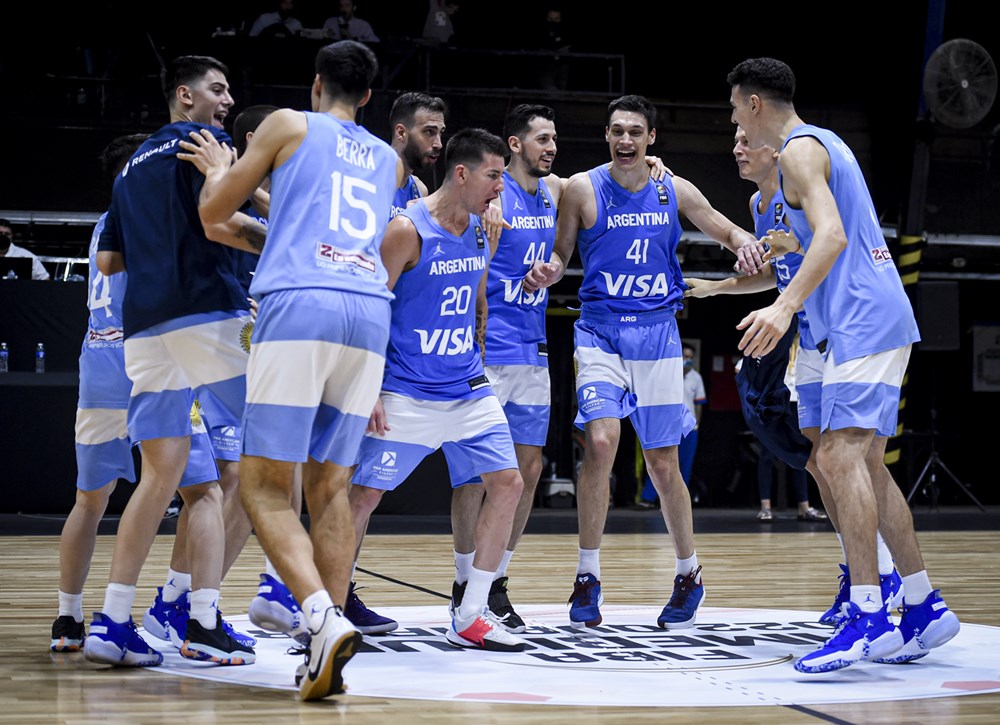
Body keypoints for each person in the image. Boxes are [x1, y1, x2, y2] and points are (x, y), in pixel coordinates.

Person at [183, 40, 405, 700]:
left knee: (260, 485)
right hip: (370, 311)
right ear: (367, 97)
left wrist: (221, 168)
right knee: (331, 486)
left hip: (302, 305)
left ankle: (318, 614)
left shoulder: (286, 123)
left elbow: (213, 213)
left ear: (316, 86)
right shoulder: (389, 160)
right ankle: (323, 649)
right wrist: (276, 233)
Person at [727, 57, 959, 673]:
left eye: (733, 110)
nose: (734, 126)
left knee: (837, 457)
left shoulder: (801, 150)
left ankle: (866, 612)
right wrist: (733, 290)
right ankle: (922, 602)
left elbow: (830, 238)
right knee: (843, 458)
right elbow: (796, 251)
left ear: (754, 104)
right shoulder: (807, 158)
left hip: (864, 320)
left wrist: (783, 308)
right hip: (836, 330)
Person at [522, 94, 759, 631]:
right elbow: (562, 254)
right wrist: (549, 270)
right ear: (606, 136)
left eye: (635, 132)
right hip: (600, 331)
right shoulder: (583, 187)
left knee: (662, 464)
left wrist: (744, 241)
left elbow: (722, 225)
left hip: (657, 336)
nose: (624, 140)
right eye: (616, 131)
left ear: (651, 139)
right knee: (601, 442)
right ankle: (587, 575)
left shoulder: (670, 187)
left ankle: (689, 572)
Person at [82, 55, 261, 669]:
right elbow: (221, 224)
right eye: (218, 88)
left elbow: (110, 261)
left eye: (229, 88)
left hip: (145, 331)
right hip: (208, 313)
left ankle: (110, 621)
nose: (228, 99)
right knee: (289, 442)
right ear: (183, 96)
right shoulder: (205, 143)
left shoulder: (128, 169)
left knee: (161, 478)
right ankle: (225, 614)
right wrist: (288, 240)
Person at [688, 124, 899, 616]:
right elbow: (769, 275)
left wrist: (794, 250)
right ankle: (859, 568)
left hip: (845, 325)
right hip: (807, 332)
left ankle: (881, 575)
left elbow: (833, 242)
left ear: (774, 149)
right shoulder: (758, 208)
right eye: (734, 141)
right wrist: (716, 289)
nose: (737, 149)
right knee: (819, 457)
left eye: (746, 141)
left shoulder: (800, 179)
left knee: (845, 459)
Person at [348, 127, 527, 652]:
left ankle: (471, 613)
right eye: (495, 175)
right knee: (362, 499)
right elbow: (369, 309)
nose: (502, 186)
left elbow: (474, 297)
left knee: (509, 483)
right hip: (406, 389)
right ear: (463, 173)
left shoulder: (479, 228)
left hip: (468, 387)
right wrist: (369, 389)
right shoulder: (405, 230)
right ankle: (329, 609)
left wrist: (478, 347)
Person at [338, 90, 448, 636]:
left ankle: (331, 593)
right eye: (429, 131)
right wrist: (370, 378)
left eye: (441, 131)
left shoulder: (420, 192)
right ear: (400, 133)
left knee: (354, 486)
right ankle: (315, 598)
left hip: (381, 342)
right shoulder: (370, 180)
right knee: (337, 485)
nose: (438, 141)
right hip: (348, 336)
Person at [638, 342, 705, 507]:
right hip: (666, 427)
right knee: (660, 462)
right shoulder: (665, 375)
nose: (687, 360)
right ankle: (649, 498)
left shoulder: (696, 378)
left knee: (684, 465)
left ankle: (677, 502)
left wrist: (696, 425)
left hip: (689, 429)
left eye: (690, 357)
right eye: (685, 356)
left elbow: (699, 404)